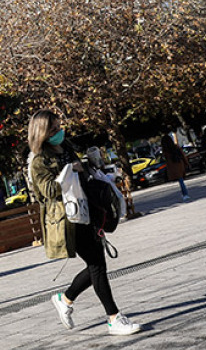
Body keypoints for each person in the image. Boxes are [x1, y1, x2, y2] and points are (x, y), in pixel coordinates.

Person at [28, 109, 141, 336]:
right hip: (67, 220)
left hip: (87, 211)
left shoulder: (66, 147)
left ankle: (66, 298)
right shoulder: (39, 161)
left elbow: (82, 175)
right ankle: (113, 318)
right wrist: (69, 170)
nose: (60, 132)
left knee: (96, 265)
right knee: (97, 265)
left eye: (59, 127)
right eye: (54, 129)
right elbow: (49, 191)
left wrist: (89, 165)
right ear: (42, 133)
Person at [161, 134, 190, 202]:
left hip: (173, 166)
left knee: (180, 181)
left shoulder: (165, 150)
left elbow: (167, 160)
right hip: (179, 164)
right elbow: (183, 155)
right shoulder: (176, 147)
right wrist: (187, 163)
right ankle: (185, 194)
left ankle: (185, 194)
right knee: (181, 180)